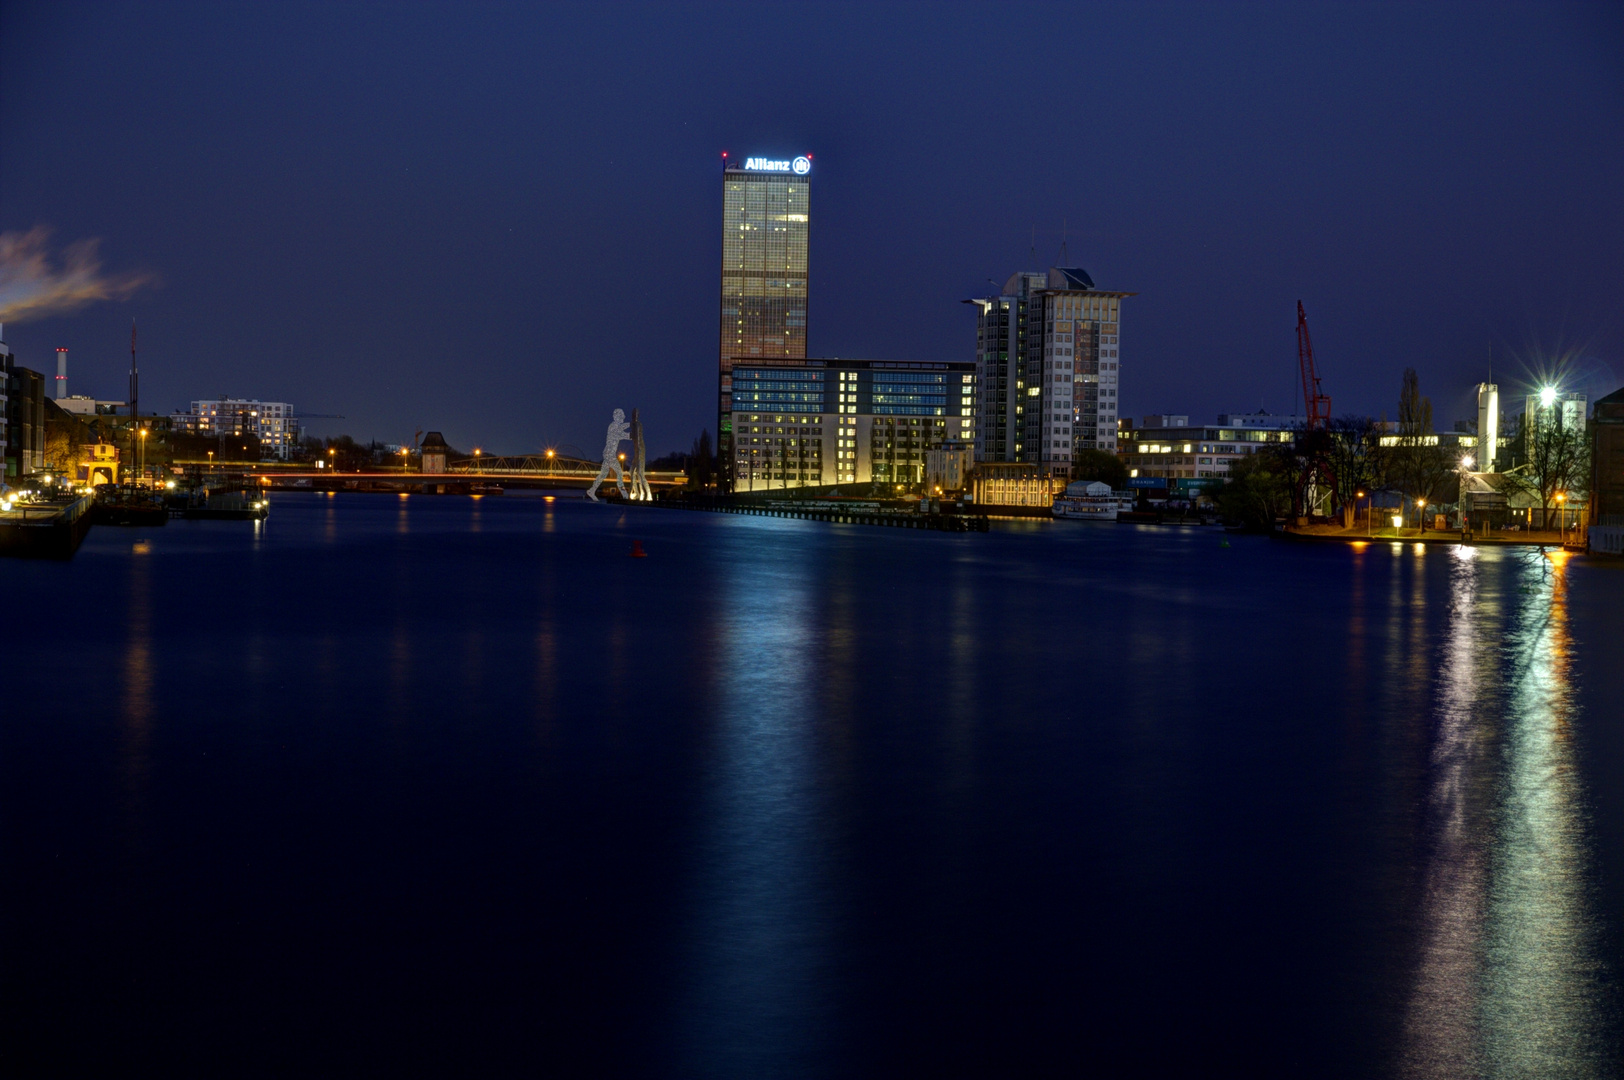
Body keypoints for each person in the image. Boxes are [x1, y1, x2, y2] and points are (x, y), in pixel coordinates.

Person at [586, 409, 631, 501]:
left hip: (607, 453)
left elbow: (621, 429)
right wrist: (632, 428)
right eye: (622, 415)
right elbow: (623, 434)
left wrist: (631, 424)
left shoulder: (615, 426)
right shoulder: (613, 426)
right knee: (619, 473)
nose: (624, 417)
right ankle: (625, 495)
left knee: (603, 474)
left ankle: (592, 490)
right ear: (617, 417)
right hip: (609, 454)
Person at [629, 408, 652, 501]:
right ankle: (637, 493)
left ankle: (648, 494)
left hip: (640, 451)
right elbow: (632, 437)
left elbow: (638, 439)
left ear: (638, 415)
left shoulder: (638, 425)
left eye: (636, 414)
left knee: (640, 474)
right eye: (633, 413)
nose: (634, 415)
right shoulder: (632, 424)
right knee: (631, 472)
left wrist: (638, 455)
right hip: (636, 452)